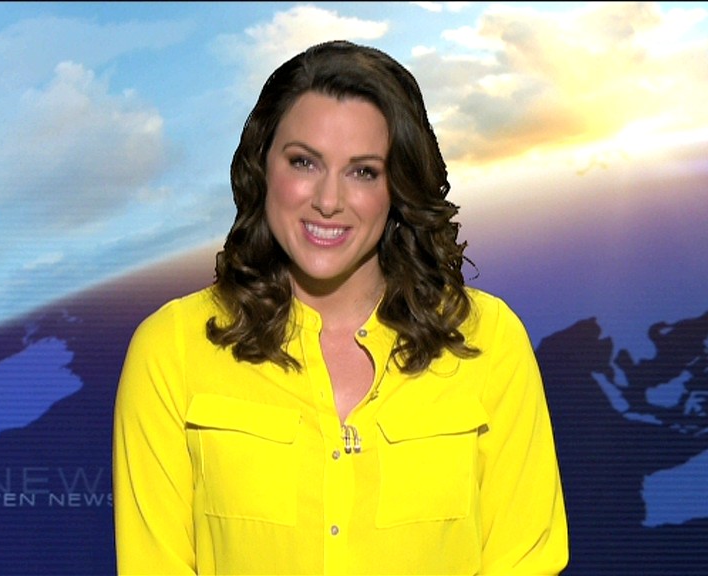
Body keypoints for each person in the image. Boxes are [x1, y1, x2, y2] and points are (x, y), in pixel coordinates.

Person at [113, 39, 568, 575]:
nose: (328, 201)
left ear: (398, 187)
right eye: (304, 162)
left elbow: (525, 560)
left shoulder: (488, 342)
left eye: (363, 171)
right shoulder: (171, 349)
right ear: (262, 168)